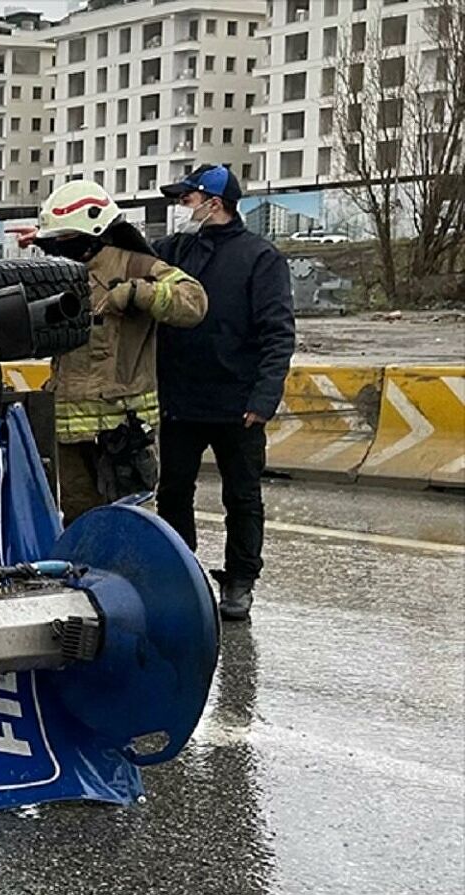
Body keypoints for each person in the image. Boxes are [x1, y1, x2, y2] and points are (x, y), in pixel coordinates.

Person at [13, 179, 207, 523]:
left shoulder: (135, 266)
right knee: (78, 521)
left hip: (120, 433)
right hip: (68, 432)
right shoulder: (61, 272)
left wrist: (139, 294)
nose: (59, 247)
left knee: (126, 523)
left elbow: (194, 302)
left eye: (65, 238)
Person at [153, 164, 295, 621]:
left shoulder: (260, 258)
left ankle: (240, 582)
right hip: (180, 399)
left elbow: (278, 333)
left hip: (238, 404)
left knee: (242, 496)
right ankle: (182, 573)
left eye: (186, 200)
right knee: (173, 493)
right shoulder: (175, 251)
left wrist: (263, 398)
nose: (180, 209)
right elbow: (125, 253)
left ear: (214, 203)